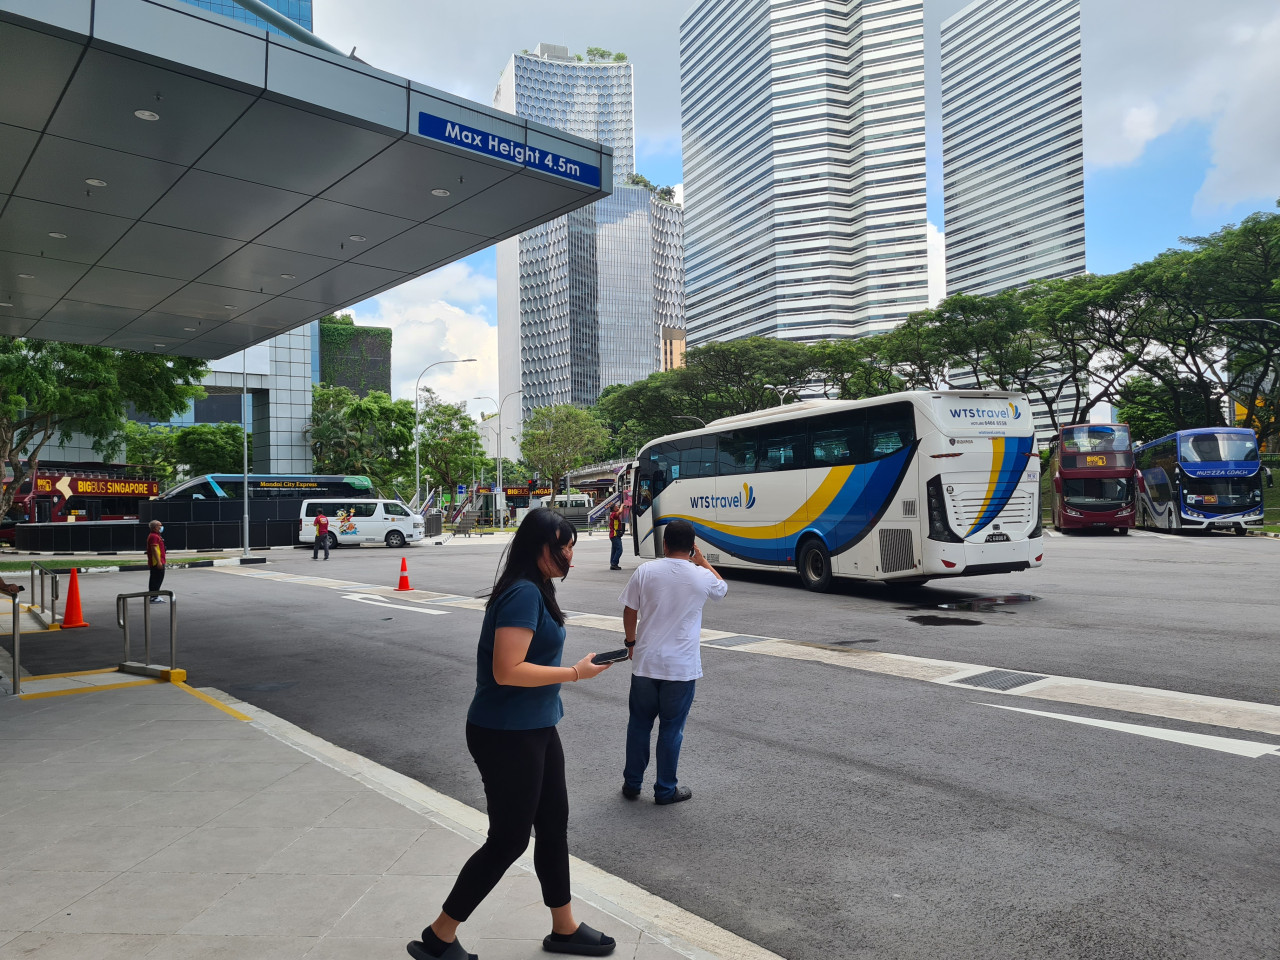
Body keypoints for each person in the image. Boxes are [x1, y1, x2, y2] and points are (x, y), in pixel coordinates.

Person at [408, 508, 617, 960]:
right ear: (540, 548)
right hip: (506, 733)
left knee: (553, 826)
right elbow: (507, 670)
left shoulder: (536, 590)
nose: (570, 558)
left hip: (538, 727)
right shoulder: (522, 594)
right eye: (563, 548)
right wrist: (575, 673)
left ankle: (564, 927)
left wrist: (572, 674)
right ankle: (439, 936)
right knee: (509, 839)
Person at [618, 519, 727, 805]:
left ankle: (632, 783)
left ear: (664, 544)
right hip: (680, 668)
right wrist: (702, 561)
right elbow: (722, 589)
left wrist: (631, 643)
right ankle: (665, 790)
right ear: (691, 548)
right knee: (671, 729)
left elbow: (630, 610)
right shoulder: (700, 576)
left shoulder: (645, 570)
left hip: (645, 662)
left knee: (639, 724)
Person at [146, 519, 167, 604]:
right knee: (156, 579)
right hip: (156, 562)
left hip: (159, 561)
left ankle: (155, 595)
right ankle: (154, 597)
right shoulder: (154, 536)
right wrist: (159, 562)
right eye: (160, 525)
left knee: (158, 578)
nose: (161, 527)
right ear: (155, 527)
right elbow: (154, 549)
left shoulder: (157, 535)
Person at [607, 503, 625, 571]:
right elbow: (620, 512)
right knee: (619, 550)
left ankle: (613, 564)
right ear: (614, 508)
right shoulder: (614, 514)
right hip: (614, 535)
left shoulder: (613, 514)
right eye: (617, 506)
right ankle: (614, 563)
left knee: (614, 550)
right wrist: (622, 505)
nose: (618, 507)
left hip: (613, 535)